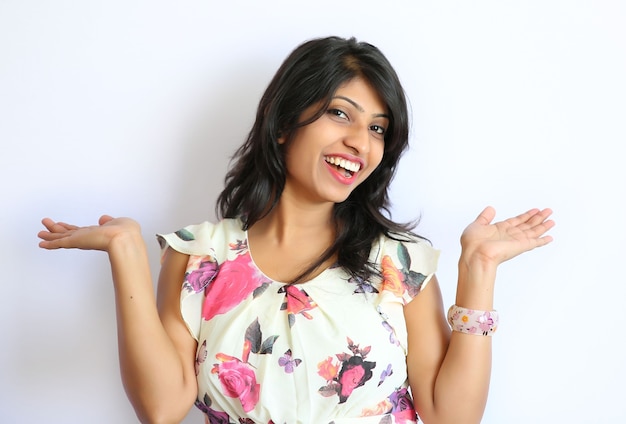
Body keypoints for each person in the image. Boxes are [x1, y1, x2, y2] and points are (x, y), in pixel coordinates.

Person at [37, 36, 554, 424]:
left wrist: (479, 270)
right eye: (339, 114)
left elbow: (451, 417)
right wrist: (125, 251)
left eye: (377, 128)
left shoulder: (398, 261)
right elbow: (161, 407)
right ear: (283, 124)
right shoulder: (201, 256)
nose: (360, 142)